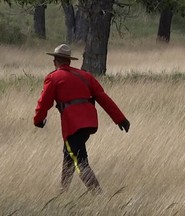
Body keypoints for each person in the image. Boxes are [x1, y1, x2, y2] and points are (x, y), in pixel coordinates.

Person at [33, 44, 130, 195]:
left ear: (55, 61)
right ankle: (63, 193)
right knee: (69, 155)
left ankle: (98, 195)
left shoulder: (53, 78)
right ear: (69, 61)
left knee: (80, 161)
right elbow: (103, 98)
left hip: (73, 125)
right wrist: (120, 119)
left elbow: (44, 102)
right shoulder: (86, 76)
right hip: (89, 123)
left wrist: (38, 120)